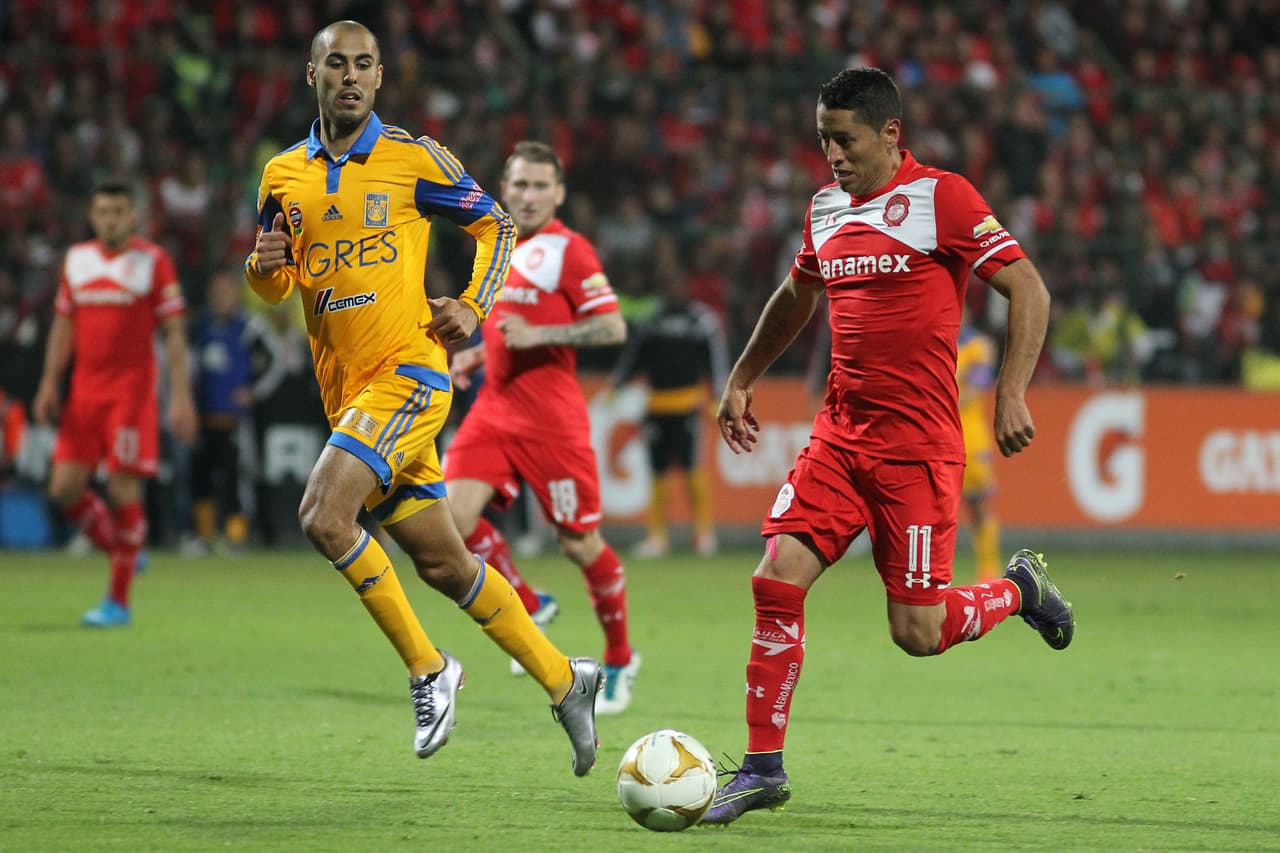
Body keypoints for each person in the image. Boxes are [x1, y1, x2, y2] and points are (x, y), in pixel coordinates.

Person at [704, 67, 1074, 825]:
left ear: (889, 135)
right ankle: (762, 766)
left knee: (918, 631)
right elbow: (797, 294)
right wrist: (743, 374)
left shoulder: (944, 198)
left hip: (919, 452)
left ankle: (1019, 590)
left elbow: (1029, 288)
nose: (832, 156)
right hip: (839, 439)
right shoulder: (824, 210)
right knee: (776, 578)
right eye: (822, 141)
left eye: (844, 140)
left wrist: (1010, 392)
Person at [244, 21, 601, 775]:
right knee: (445, 564)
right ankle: (567, 679)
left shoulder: (413, 157)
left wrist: (474, 303)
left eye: (363, 65)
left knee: (322, 514)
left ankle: (428, 667)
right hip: (347, 394)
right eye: (335, 64)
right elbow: (277, 281)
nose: (349, 76)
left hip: (411, 374)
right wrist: (262, 267)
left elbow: (495, 226)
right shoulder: (282, 174)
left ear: (379, 78)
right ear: (310, 73)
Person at [444, 141, 639, 714]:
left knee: (578, 543)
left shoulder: (570, 252)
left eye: (539, 186)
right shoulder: (497, 245)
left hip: (552, 420)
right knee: (449, 523)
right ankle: (527, 601)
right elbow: (506, 324)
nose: (528, 196)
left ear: (558, 194)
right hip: (494, 411)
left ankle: (622, 658)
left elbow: (611, 329)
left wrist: (544, 337)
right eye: (519, 185)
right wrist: (475, 357)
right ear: (504, 189)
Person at [32, 179, 197, 626]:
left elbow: (174, 332)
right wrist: (49, 382)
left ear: (133, 216)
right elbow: (64, 326)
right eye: (103, 211)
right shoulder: (77, 260)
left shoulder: (153, 261)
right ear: (92, 216)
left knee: (124, 490)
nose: (110, 219)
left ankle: (117, 602)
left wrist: (180, 396)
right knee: (63, 490)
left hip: (130, 394)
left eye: (119, 211)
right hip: (84, 394)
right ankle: (123, 548)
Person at [609, 260, 728, 558]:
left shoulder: (701, 320)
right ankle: (657, 537)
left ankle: (703, 534)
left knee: (691, 469)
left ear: (686, 287)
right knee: (658, 471)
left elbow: (715, 362)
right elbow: (633, 356)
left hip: (687, 404)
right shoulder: (652, 319)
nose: (673, 290)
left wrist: (718, 396)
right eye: (668, 286)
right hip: (656, 404)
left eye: (677, 284)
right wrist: (618, 384)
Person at [186, 269, 284, 555]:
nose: (221, 298)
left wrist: (254, 391)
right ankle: (203, 537)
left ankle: (235, 536)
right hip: (203, 414)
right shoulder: (199, 325)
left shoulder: (249, 326)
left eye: (226, 292)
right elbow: (186, 363)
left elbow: (277, 360)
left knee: (236, 478)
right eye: (216, 293)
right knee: (200, 475)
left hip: (235, 418)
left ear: (237, 294)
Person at [956, 307, 1001, 581]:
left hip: (970, 435)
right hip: (937, 434)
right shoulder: (933, 342)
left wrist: (939, 405)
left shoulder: (979, 346)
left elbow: (977, 386)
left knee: (978, 504)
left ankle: (989, 570)